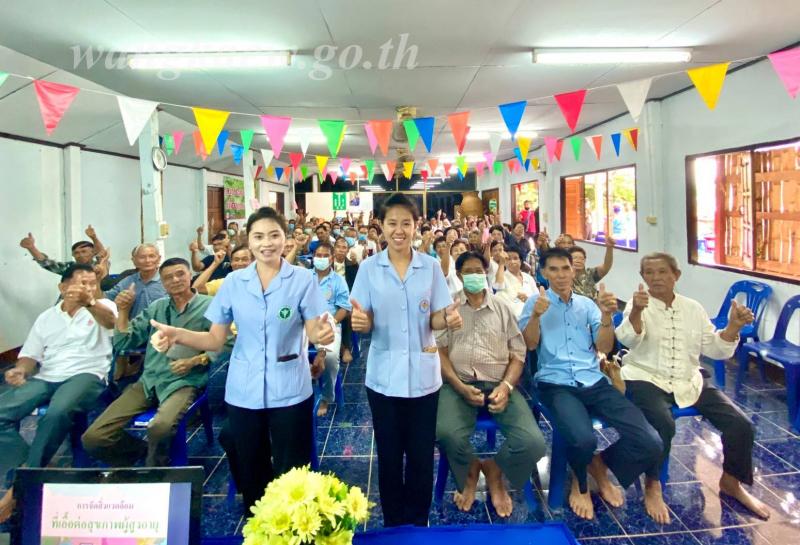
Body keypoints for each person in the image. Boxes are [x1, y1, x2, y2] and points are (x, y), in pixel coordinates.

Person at [142, 207, 334, 511]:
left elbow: (314, 328)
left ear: (285, 238)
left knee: (293, 471)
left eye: (274, 235)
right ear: (249, 240)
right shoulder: (233, 282)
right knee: (252, 470)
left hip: (290, 387)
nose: (266, 243)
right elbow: (214, 340)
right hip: (244, 390)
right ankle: (258, 522)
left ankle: (294, 525)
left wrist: (323, 333)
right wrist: (178, 334)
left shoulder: (302, 279)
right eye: (258, 236)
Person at [617, 253, 769, 523]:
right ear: (643, 277)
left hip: (688, 380)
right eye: (649, 272)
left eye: (662, 272)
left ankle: (731, 482)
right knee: (663, 423)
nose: (656, 278)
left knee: (741, 424)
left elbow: (715, 348)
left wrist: (733, 327)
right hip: (645, 377)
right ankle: (653, 484)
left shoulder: (693, 308)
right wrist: (638, 311)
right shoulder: (637, 304)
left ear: (676, 275)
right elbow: (629, 338)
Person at [518, 248, 662, 520]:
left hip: (594, 380)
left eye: (565, 268)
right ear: (544, 273)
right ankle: (581, 484)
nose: (561, 275)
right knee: (583, 439)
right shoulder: (536, 303)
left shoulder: (587, 305)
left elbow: (604, 347)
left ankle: (600, 464)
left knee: (650, 440)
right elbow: (530, 344)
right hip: (556, 383)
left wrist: (606, 318)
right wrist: (536, 316)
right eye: (553, 269)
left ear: (573, 271)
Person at [350, 193, 462, 527]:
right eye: (392, 223)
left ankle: (418, 523)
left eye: (406, 223)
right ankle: (393, 524)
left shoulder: (430, 267)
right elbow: (363, 317)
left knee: (421, 456)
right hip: (383, 378)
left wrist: (448, 319)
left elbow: (436, 319)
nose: (399, 230)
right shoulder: (369, 268)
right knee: (388, 455)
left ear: (416, 226)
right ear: (381, 226)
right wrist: (361, 323)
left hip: (424, 378)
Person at [0, 264, 116, 523]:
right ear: (62, 288)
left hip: (88, 374)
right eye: (82, 283)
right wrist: (20, 370)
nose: (88, 288)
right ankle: (31, 469)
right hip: (48, 376)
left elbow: (111, 322)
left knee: (57, 412)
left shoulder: (103, 308)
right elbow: (30, 355)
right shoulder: (47, 317)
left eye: (92, 283)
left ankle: (20, 487)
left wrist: (90, 302)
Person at [436, 251, 545, 518]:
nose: (475, 275)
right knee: (445, 432)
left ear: (486, 272)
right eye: (468, 272)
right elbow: (439, 352)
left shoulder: (502, 308)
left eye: (479, 270)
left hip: (499, 383)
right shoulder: (449, 309)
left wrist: (506, 387)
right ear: (459, 275)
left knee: (533, 442)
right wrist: (459, 386)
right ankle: (470, 470)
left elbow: (518, 354)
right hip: (459, 383)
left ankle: (496, 471)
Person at [82, 258, 213, 468]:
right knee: (94, 438)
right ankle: (140, 453)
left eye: (180, 274)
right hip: (148, 381)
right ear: (162, 283)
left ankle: (156, 472)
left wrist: (195, 360)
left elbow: (225, 344)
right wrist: (123, 311)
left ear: (190, 275)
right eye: (168, 277)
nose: (175, 280)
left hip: (184, 381)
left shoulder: (209, 306)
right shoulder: (157, 307)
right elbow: (124, 342)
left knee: (160, 428)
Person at [311, 242, 352, 416]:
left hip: (329, 323)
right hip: (305, 324)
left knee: (330, 357)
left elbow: (344, 307)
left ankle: (326, 397)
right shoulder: (305, 278)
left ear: (332, 258)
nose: (321, 259)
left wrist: (332, 322)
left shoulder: (338, 281)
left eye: (325, 256)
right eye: (318, 255)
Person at [104, 243, 167, 319]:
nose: (147, 260)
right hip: (134, 325)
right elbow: (104, 299)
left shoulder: (168, 280)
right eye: (142, 257)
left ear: (159, 259)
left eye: (151, 256)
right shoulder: (128, 281)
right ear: (134, 261)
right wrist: (97, 280)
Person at [19, 226, 107, 276]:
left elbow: (102, 255)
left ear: (93, 253)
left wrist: (94, 238)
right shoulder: (70, 267)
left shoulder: (100, 265)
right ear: (73, 255)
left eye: (84, 251)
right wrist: (31, 248)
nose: (80, 255)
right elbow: (47, 263)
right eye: (76, 253)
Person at [496, 247, 537, 318]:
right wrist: (501, 263)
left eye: (515, 258)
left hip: (532, 317)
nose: (512, 261)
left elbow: (537, 298)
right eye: (508, 259)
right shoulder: (501, 277)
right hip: (512, 319)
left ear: (520, 261)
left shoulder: (528, 278)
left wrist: (528, 300)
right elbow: (498, 286)